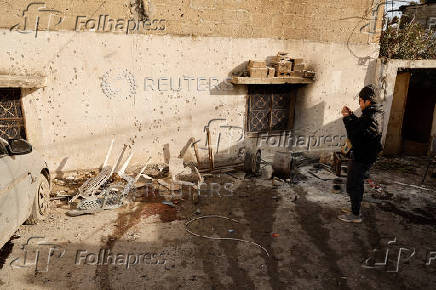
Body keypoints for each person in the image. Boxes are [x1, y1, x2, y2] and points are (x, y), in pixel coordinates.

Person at [338, 84, 383, 223]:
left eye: (360, 101)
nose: (359, 103)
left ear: (367, 101)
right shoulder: (372, 113)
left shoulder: (370, 117)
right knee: (355, 182)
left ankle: (355, 214)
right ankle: (354, 208)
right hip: (365, 154)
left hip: (363, 156)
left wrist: (346, 119)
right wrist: (352, 116)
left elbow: (355, 136)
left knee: (354, 184)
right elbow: (360, 127)